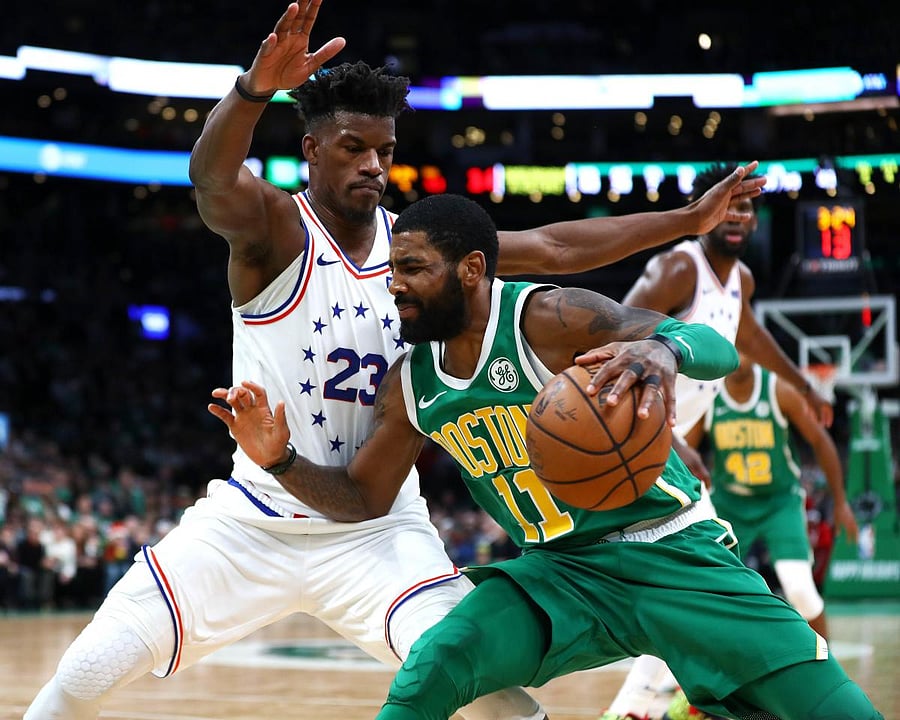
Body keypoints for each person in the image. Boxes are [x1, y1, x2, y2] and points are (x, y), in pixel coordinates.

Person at [23, 2, 768, 718]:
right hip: (252, 518)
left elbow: (555, 247)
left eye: (384, 151)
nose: (374, 165)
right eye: (353, 148)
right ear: (312, 150)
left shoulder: (418, 251)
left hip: (377, 528)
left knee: (492, 699)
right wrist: (252, 91)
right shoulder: (276, 232)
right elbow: (212, 179)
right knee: (85, 671)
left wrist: (687, 220)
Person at [212, 193, 883, 720]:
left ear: (471, 269)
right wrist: (280, 461)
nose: (394, 286)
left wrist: (662, 349)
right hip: (562, 575)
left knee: (837, 709)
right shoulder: (410, 384)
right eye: (392, 271)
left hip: (672, 550)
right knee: (437, 660)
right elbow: (363, 498)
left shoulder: (545, 319)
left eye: (412, 269)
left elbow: (719, 349)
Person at [602, 161, 836, 720]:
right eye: (727, 205)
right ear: (702, 213)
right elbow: (610, 333)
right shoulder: (677, 267)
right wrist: (666, 438)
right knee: (699, 574)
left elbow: (750, 336)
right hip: (639, 437)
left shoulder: (740, 281)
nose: (737, 216)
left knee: (695, 579)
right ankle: (649, 704)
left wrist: (804, 385)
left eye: (746, 207)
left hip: (667, 442)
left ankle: (655, 703)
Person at [690, 354, 859, 639]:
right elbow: (684, 450)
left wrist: (840, 502)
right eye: (733, 346)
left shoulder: (779, 389)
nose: (740, 354)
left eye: (745, 347)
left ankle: (824, 662)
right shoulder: (708, 394)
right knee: (705, 590)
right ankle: (697, 663)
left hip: (779, 501)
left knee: (801, 590)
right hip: (729, 502)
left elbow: (820, 441)